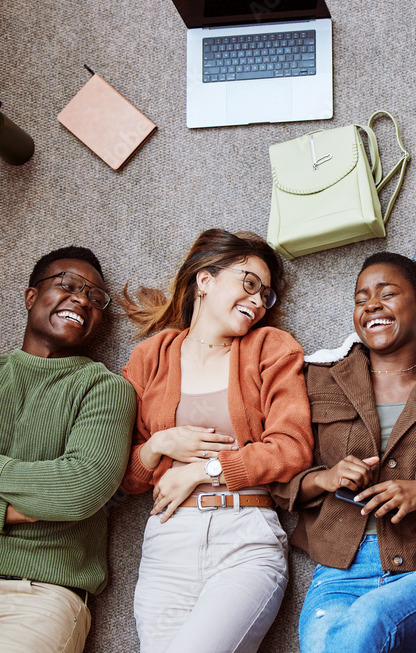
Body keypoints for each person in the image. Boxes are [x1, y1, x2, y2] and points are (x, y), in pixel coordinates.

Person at [273, 252, 416, 653]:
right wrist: (323, 478)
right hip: (338, 574)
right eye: (361, 299)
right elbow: (279, 475)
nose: (371, 305)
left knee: (364, 626)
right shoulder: (317, 378)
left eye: (387, 293)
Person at [0, 246, 136, 652]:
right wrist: (4, 512)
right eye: (68, 285)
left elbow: (79, 487)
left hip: (44, 597)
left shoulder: (105, 389)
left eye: (96, 298)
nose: (83, 299)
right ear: (31, 296)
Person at [118, 228, 312, 653]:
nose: (259, 301)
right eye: (249, 284)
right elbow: (127, 478)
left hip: (243, 536)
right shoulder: (149, 358)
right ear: (205, 280)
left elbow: (292, 447)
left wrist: (203, 470)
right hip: (167, 544)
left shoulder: (271, 348)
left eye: (266, 295)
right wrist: (159, 444)